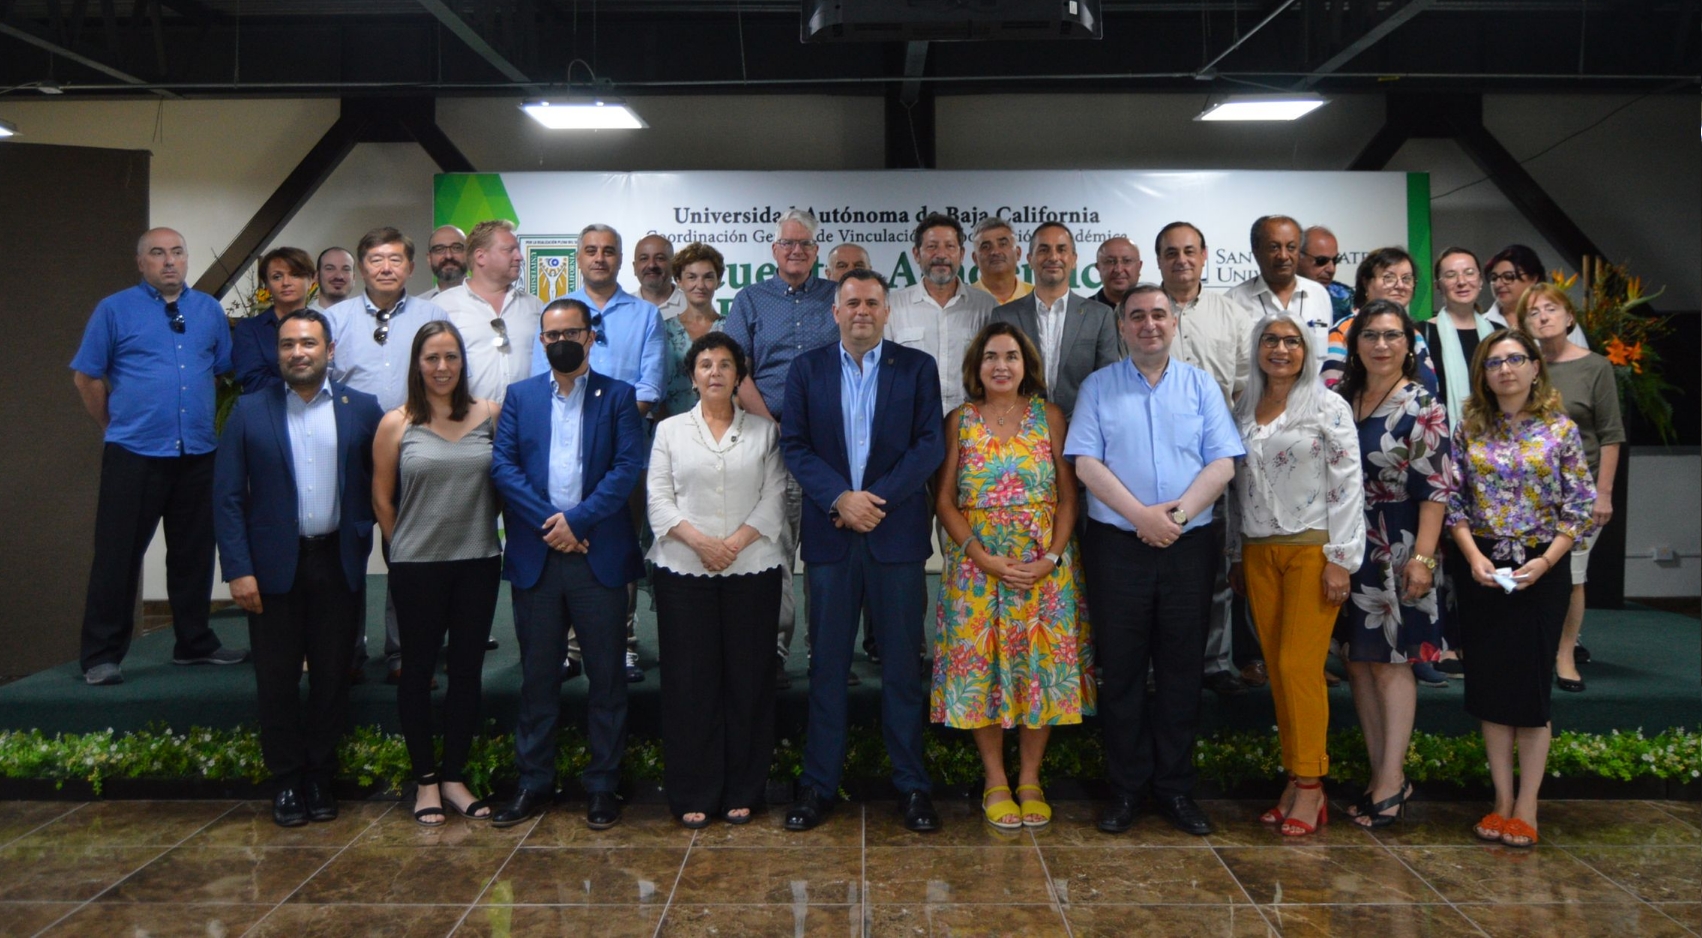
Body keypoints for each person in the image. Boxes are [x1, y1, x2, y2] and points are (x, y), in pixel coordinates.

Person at [1066, 284, 1243, 837]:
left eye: (1158, 315)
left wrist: (1176, 518)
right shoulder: (1098, 387)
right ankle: (1125, 789)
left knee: (1180, 670)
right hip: (1117, 544)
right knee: (1120, 670)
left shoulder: (1200, 386)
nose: (1148, 324)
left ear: (1174, 324)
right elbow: (1085, 465)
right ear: (1121, 327)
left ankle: (1174, 790)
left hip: (1188, 545)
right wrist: (1142, 517)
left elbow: (1223, 464)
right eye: (1137, 316)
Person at [780, 269, 946, 834]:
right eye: (852, 302)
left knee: (901, 666)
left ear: (887, 309)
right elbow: (794, 446)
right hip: (831, 535)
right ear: (835, 310)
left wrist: (872, 501)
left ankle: (912, 786)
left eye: (872, 302)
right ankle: (819, 784)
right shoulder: (808, 369)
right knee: (827, 666)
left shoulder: (917, 368)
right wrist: (840, 500)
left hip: (895, 535)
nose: (862, 312)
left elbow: (930, 445)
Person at [213, 310, 381, 826]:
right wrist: (238, 568)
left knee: (332, 677)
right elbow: (227, 498)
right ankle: (286, 782)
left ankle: (319, 777)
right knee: (277, 680)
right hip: (271, 571)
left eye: (308, 343)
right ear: (278, 353)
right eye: (287, 345)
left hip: (337, 563)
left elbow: (383, 483)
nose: (297, 353)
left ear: (330, 351)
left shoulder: (363, 410)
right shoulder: (249, 410)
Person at [489, 298, 648, 831]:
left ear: (589, 337)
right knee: (538, 678)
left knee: (606, 678)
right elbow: (504, 468)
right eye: (551, 333)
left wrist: (577, 522)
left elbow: (628, 467)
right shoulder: (519, 397)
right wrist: (553, 525)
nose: (561, 341)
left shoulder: (619, 396)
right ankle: (534, 780)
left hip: (597, 555)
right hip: (539, 554)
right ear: (541, 339)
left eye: (571, 332)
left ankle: (602, 785)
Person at [932, 321, 1094, 830]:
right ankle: (995, 779)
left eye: (1011, 357)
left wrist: (1051, 558)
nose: (1001, 365)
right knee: (981, 671)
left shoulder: (1049, 416)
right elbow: (944, 499)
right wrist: (979, 555)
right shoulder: (959, 420)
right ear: (976, 368)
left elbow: (1069, 497)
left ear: (1027, 366)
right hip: (978, 571)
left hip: (1042, 570)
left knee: (1040, 673)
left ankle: (1030, 778)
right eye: (991, 357)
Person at [72, 227, 248, 686]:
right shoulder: (114, 309)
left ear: (186, 259)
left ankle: (194, 643)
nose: (169, 261)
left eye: (176, 252)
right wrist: (113, 425)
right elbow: (87, 378)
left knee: (193, 554)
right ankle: (101, 656)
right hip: (134, 453)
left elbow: (220, 372)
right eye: (157, 253)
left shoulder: (208, 311)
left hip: (197, 453)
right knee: (117, 557)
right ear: (141, 263)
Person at [1448, 329, 1595, 848]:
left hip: (1541, 568)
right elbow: (1454, 502)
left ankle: (1528, 805)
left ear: (1536, 368)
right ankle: (1500, 801)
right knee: (1490, 689)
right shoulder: (1468, 430)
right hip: (1484, 566)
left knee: (1530, 691)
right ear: (1482, 375)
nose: (1505, 369)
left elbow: (1580, 507)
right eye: (1494, 363)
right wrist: (1472, 556)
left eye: (1516, 359)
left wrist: (1548, 561)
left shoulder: (1560, 430)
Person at [1228, 313, 1364, 837]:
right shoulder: (1244, 404)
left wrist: (1341, 558)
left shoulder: (1328, 405)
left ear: (1307, 350)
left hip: (1313, 550)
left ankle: (1311, 784)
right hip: (1259, 551)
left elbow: (1347, 483)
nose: (1280, 349)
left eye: (1290, 341)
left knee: (1298, 665)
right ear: (1257, 348)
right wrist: (1236, 553)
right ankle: (1295, 778)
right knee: (1278, 668)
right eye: (1270, 340)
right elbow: (1236, 486)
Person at [647, 332, 787, 827]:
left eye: (725, 365)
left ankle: (744, 789)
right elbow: (659, 499)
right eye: (705, 364)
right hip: (684, 571)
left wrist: (735, 543)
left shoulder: (764, 432)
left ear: (739, 376)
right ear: (692, 375)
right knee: (691, 683)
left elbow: (775, 497)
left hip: (753, 569)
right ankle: (694, 791)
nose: (715, 373)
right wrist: (703, 544)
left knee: (748, 681)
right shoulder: (669, 431)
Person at [372, 321, 502, 826]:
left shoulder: (490, 414)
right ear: (417, 364)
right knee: (419, 672)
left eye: (451, 357)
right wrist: (401, 543)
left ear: (463, 362)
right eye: (432, 358)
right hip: (416, 567)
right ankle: (425, 781)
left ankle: (453, 776)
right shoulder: (396, 423)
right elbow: (381, 497)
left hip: (478, 562)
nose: (442, 367)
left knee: (467, 672)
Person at [525, 224, 667, 683]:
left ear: (620, 259)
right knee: (563, 549)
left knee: (617, 551)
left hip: (622, 457)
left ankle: (621, 644)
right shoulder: (556, 313)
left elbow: (650, 386)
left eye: (608, 251)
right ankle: (569, 648)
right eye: (591, 251)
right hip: (560, 456)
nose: (600, 258)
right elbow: (535, 380)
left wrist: (606, 423)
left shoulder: (645, 315)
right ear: (579, 258)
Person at [1330, 300, 1453, 827]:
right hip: (1350, 544)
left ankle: (1391, 779)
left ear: (1409, 343)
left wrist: (1423, 558)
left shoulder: (1423, 404)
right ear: (1354, 345)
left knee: (1394, 663)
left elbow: (1437, 489)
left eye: (1392, 335)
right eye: (1370, 336)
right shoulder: (1342, 399)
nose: (1381, 344)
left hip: (1401, 544)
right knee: (1361, 661)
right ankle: (1383, 774)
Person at [324, 226, 449, 684]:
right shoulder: (334, 320)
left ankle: (405, 654)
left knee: (409, 555)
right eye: (376, 259)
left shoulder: (433, 315)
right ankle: (347, 653)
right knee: (347, 557)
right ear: (361, 268)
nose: (386, 267)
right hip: (351, 453)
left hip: (415, 449)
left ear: (411, 268)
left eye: (396, 259)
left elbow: (446, 376)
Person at [723, 209, 841, 687]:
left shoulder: (838, 297)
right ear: (773, 251)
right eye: (787, 244)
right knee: (773, 549)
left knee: (826, 556)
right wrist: (771, 425)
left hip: (828, 445)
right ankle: (773, 651)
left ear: (817, 252)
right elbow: (735, 368)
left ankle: (824, 652)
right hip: (768, 439)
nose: (796, 251)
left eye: (805, 245)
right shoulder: (750, 299)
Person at [1156, 220, 1258, 696]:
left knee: (1216, 562)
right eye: (1171, 252)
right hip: (1155, 457)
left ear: (1205, 255)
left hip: (1215, 458)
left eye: (1190, 251)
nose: (1182, 260)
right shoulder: (1144, 311)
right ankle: (1160, 665)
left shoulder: (1232, 313)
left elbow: (1242, 385)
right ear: (1159, 260)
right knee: (1159, 568)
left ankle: (1216, 662)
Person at [1512, 285, 1623, 692]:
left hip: (1582, 493)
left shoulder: (1596, 367)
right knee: (1531, 570)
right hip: (1528, 494)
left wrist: (1604, 493)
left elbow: (1611, 435)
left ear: (1569, 317)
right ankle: (1532, 649)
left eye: (1551, 309)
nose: (1543, 317)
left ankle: (1564, 653)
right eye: (1533, 312)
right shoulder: (1522, 366)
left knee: (1571, 573)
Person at [990, 222, 1120, 418]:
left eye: (1061, 249)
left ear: (1074, 259)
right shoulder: (1004, 316)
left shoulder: (1100, 316)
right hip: (1020, 432)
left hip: (1082, 430)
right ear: (1030, 259)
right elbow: (996, 380)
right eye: (1044, 250)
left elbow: (1107, 382)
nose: (1053, 257)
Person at [885, 213, 997, 415]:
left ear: (962, 254)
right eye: (932, 246)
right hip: (911, 422)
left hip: (972, 424)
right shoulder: (893, 306)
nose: (941, 255)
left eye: (950, 246)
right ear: (916, 254)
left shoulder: (986, 306)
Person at [435, 219, 543, 405]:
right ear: (480, 257)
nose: (519, 257)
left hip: (524, 421)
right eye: (509, 250)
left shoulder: (536, 307)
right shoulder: (441, 307)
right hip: (464, 423)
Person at [1321, 247, 1438, 393]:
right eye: (1389, 277)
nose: (1400, 286)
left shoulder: (1415, 334)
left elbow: (1430, 388)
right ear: (1366, 283)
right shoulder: (1344, 331)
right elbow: (1332, 395)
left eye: (1407, 278)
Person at [1224, 215, 1333, 369]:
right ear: (1256, 251)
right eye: (1274, 247)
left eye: (1291, 247)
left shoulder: (1318, 294)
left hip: (1312, 392)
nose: (1283, 256)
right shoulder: (1234, 301)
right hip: (1256, 393)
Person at [1422, 247, 1493, 426]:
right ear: (1438, 285)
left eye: (1469, 273)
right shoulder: (1422, 333)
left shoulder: (1497, 333)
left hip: (1494, 437)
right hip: (1441, 439)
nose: (1461, 281)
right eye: (1451, 275)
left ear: (1480, 280)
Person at [233, 246, 315, 394]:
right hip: (271, 410)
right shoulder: (250, 329)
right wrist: (306, 390)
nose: (286, 282)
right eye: (277, 277)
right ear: (267, 285)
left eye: (295, 275)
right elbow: (253, 381)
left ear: (311, 280)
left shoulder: (324, 325)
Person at [661, 242, 727, 419]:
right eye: (692, 277)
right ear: (679, 281)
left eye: (708, 277)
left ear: (718, 281)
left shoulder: (731, 328)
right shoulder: (662, 330)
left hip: (722, 427)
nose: (700, 285)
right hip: (672, 428)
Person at [1484, 245, 1587, 348]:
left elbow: (1583, 362)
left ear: (1533, 278)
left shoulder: (1560, 320)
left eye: (1508, 277)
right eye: (1494, 278)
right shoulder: (1482, 324)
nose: (1498, 284)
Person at [969, 217, 1033, 305]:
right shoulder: (963, 300)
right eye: (986, 247)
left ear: (1018, 253)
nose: (995, 252)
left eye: (1003, 244)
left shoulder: (1037, 297)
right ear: (975, 258)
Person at [1297, 226, 1354, 323]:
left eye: (1335, 260)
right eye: (1321, 261)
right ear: (1298, 257)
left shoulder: (1345, 297)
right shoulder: (1278, 295)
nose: (1331, 269)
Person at [633, 234, 686, 322]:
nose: (652, 265)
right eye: (644, 258)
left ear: (673, 265)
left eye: (660, 258)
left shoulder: (691, 306)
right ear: (634, 267)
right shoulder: (622, 307)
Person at [1088, 237, 1142, 314]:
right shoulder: (1083, 313)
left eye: (1126, 261)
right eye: (1110, 261)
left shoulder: (1154, 308)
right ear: (1098, 268)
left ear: (1139, 267)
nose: (1118, 270)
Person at [420, 225, 467, 299]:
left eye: (456, 248)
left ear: (469, 254)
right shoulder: (418, 307)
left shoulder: (487, 301)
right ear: (429, 258)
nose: (448, 256)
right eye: (439, 249)